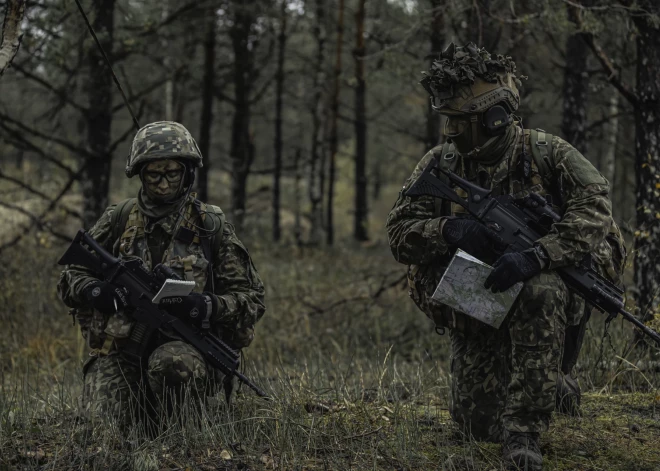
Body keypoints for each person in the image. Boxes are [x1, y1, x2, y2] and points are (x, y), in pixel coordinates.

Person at [386, 43, 625, 470]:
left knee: (541, 288)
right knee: (475, 427)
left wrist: (539, 255)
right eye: (447, 121)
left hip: (545, 293)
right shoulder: (440, 163)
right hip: (474, 299)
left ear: (495, 116)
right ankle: (553, 385)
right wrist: (449, 229)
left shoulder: (548, 154)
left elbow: (596, 212)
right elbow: (399, 235)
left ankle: (524, 433)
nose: (450, 132)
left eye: (460, 122)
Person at [58, 121, 265, 428]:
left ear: (188, 172)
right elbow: (71, 275)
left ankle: (182, 427)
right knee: (104, 431)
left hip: (184, 354)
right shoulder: (119, 219)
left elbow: (252, 300)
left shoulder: (210, 226)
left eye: (172, 174)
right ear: (140, 174)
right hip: (122, 348)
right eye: (154, 174)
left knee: (172, 365)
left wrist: (205, 306)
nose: (164, 184)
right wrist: (97, 292)